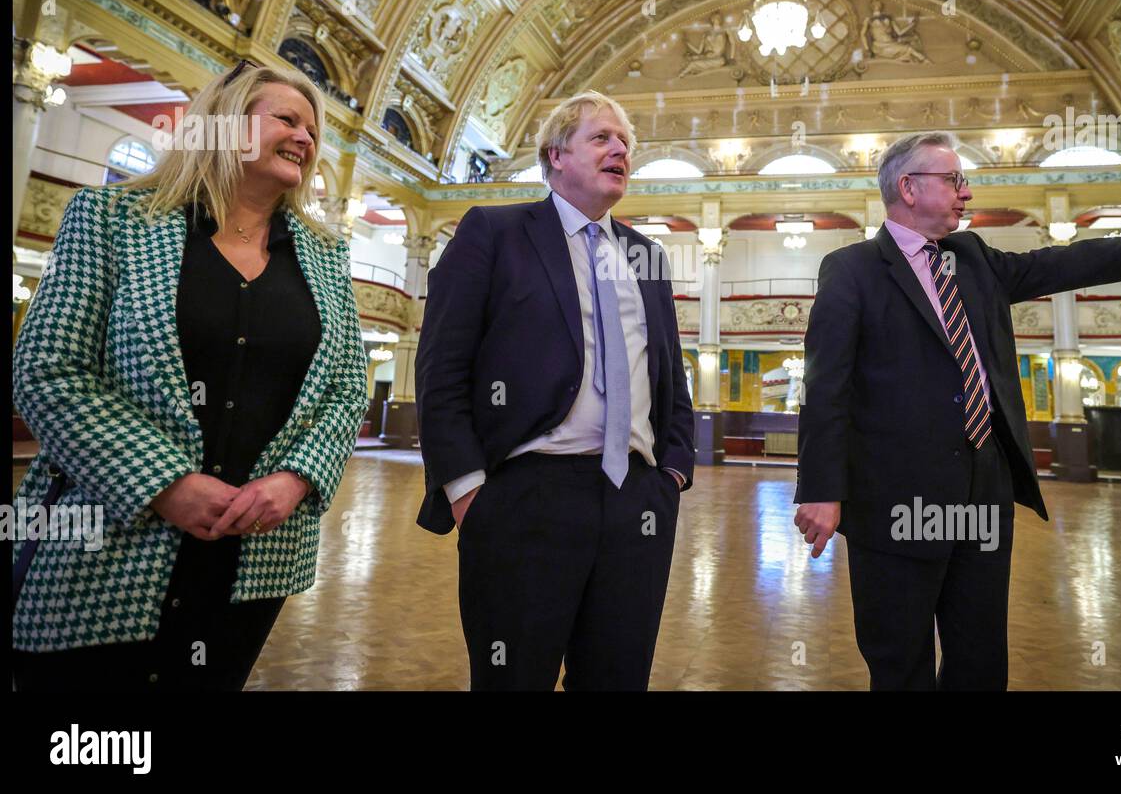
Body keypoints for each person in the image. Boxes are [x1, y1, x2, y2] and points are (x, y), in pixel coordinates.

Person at [794, 131, 1121, 690]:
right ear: (909, 188)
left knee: (981, 658)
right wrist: (821, 489)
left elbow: (1071, 262)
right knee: (899, 662)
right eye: (954, 180)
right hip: (894, 498)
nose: (966, 192)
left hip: (983, 493)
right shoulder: (851, 269)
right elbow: (827, 388)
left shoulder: (973, 259)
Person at [11, 60, 369, 690]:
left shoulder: (326, 254)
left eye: (314, 130)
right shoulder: (113, 219)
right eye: (287, 118)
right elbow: (49, 370)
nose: (307, 138)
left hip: (256, 544)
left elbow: (345, 389)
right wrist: (165, 483)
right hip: (111, 532)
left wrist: (296, 478)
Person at [415, 90, 694, 691]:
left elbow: (670, 373)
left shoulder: (646, 255)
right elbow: (441, 370)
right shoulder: (494, 231)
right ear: (555, 155)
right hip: (526, 498)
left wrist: (670, 473)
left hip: (637, 501)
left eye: (626, 142)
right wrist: (468, 492)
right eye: (602, 137)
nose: (620, 148)